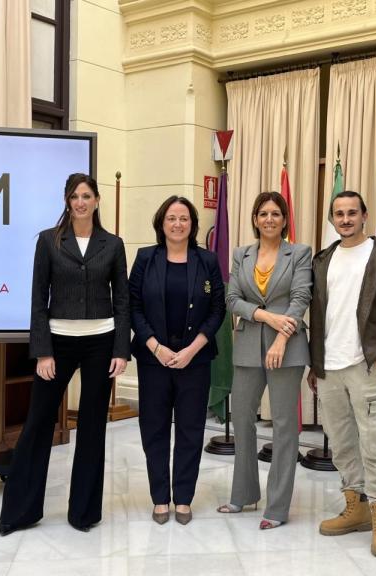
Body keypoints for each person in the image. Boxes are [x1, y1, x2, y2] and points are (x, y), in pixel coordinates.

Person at [0, 173, 130, 536]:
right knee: (38, 424)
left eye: (87, 196)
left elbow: (122, 300)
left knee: (91, 428)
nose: (80, 202)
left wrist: (121, 349)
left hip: (101, 344)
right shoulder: (48, 241)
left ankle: (83, 513)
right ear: (67, 201)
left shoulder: (113, 244)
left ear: (97, 201)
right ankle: (19, 513)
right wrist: (42, 352)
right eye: (74, 196)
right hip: (57, 343)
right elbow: (38, 299)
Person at [307, 190, 376, 558]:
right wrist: (314, 363)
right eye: (339, 213)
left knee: (374, 442)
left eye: (352, 213)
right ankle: (355, 508)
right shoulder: (323, 260)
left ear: (365, 216)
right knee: (341, 444)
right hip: (329, 367)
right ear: (332, 219)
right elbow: (319, 316)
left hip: (366, 365)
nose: (346, 219)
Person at [129, 196, 226, 525]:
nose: (177, 224)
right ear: (161, 222)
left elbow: (217, 310)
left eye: (184, 218)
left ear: (192, 224)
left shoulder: (207, 261)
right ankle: (160, 498)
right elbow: (134, 308)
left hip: (194, 361)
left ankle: (183, 498)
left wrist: (192, 349)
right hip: (153, 359)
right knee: (154, 429)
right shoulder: (145, 259)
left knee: (190, 429)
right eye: (171, 218)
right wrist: (156, 347)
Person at [219, 192, 312, 530]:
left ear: (285, 219)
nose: (269, 219)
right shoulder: (241, 254)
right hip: (246, 347)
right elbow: (232, 298)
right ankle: (243, 494)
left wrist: (281, 336)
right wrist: (264, 316)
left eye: (276, 213)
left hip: (288, 348)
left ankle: (276, 506)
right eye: (263, 214)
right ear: (255, 219)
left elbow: (301, 297)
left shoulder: (299, 252)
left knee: (285, 427)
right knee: (241, 419)